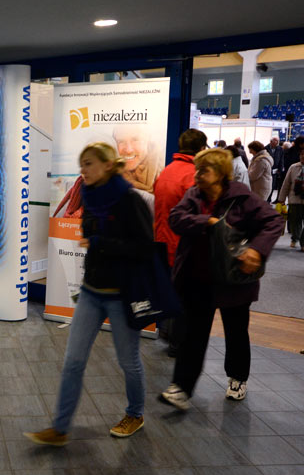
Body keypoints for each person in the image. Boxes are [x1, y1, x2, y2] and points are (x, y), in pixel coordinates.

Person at [24, 142, 153, 444]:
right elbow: (90, 234)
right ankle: (60, 428)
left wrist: (99, 243)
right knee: (73, 361)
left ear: (107, 165)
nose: (83, 170)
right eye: (82, 164)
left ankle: (135, 414)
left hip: (122, 295)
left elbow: (144, 247)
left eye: (89, 163)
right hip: (92, 292)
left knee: (128, 361)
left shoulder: (130, 200)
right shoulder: (90, 195)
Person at [159, 148, 283, 410]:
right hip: (198, 280)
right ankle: (181, 387)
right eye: (197, 169)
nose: (197, 175)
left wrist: (256, 250)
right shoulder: (194, 195)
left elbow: (273, 221)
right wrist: (207, 221)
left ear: (220, 174)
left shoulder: (243, 198)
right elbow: (176, 219)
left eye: (203, 170)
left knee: (236, 332)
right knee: (193, 334)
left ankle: (238, 378)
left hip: (234, 281)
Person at [153, 128, 207, 356]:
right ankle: (177, 344)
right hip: (181, 243)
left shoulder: (167, 170)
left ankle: (167, 332)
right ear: (201, 148)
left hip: (161, 239)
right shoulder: (194, 175)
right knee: (184, 296)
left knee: (169, 290)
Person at [113, 124, 163, 194]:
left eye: (135, 140)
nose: (129, 150)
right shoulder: (109, 178)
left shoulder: (165, 172)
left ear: (148, 142)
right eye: (121, 141)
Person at [277, 146, 304, 251]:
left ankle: (303, 242)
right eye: (301, 154)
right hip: (294, 199)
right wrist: (281, 198)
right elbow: (286, 184)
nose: (303, 156)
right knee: (295, 221)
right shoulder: (293, 167)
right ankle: (295, 238)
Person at [265, 137, 284, 201]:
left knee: (272, 185)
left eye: (277, 142)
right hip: (267, 169)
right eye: (275, 142)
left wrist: (280, 169)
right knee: (267, 185)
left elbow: (281, 159)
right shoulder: (265, 148)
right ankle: (266, 199)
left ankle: (269, 199)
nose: (277, 144)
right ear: (271, 142)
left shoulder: (280, 149)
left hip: (275, 170)